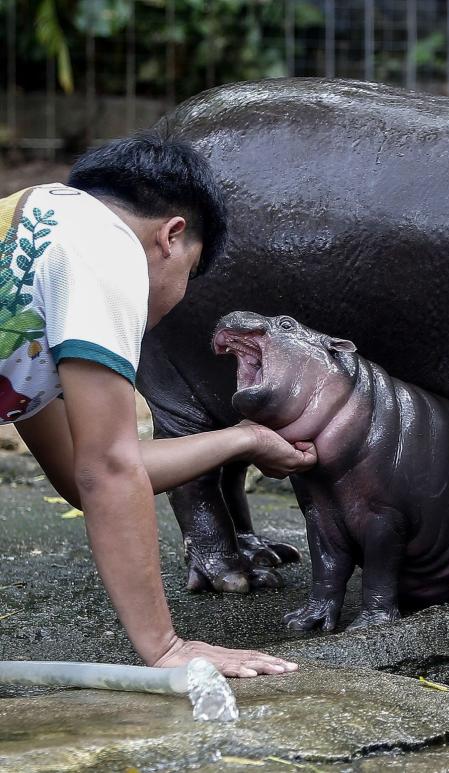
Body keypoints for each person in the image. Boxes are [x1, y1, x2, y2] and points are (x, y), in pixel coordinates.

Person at [0, 131, 313, 677]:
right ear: (171, 236)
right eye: (189, 275)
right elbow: (108, 471)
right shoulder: (105, 246)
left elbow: (84, 472)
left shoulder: (41, 225)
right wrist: (166, 648)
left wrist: (246, 437)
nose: (177, 294)